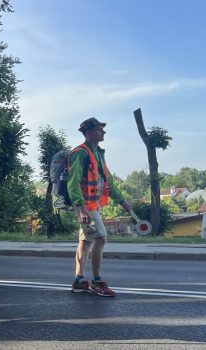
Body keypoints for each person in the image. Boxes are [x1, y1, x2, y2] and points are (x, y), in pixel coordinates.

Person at [68, 117, 136, 297]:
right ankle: (97, 281)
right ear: (89, 132)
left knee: (86, 241)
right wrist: (81, 208)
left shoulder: (98, 153)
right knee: (101, 237)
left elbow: (109, 183)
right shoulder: (80, 153)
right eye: (99, 129)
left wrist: (122, 201)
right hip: (85, 207)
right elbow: (72, 183)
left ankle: (79, 281)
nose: (103, 132)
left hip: (93, 206)